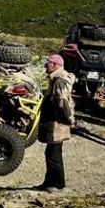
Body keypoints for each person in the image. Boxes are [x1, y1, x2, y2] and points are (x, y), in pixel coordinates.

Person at [34, 54, 76, 190]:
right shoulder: (58, 79)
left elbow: (62, 103)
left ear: (55, 65)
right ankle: (50, 183)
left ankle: (56, 185)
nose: (45, 66)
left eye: (48, 63)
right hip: (57, 123)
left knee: (53, 155)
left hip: (56, 124)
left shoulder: (59, 82)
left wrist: (69, 119)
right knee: (52, 153)